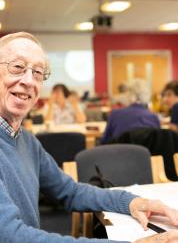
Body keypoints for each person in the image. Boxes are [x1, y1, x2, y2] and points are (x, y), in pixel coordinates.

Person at [0, 32, 178, 243]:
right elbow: (11, 236)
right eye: (17, 67)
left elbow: (70, 191)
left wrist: (132, 202)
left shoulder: (27, 141)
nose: (29, 80)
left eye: (38, 72)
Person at [101, 79, 160, 144]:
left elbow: (104, 141)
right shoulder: (153, 116)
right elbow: (157, 142)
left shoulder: (115, 114)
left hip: (119, 152)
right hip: (146, 153)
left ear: (127, 94)